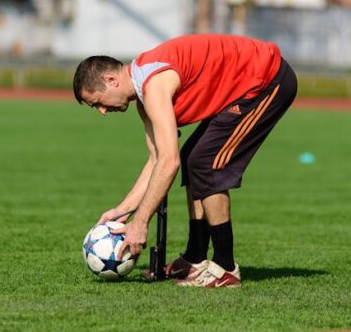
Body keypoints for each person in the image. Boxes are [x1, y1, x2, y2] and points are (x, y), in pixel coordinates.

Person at [73, 34, 297, 288]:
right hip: (244, 86)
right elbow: (156, 161)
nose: (102, 111)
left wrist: (140, 224)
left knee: (206, 163)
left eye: (97, 103)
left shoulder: (153, 85)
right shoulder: (145, 97)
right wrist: (122, 210)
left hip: (266, 79)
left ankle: (225, 267)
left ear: (110, 80)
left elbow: (169, 163)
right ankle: (196, 257)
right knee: (194, 159)